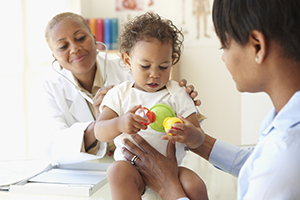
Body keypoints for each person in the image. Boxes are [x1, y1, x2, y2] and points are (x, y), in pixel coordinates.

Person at [122, 0, 300, 199]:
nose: (223, 58)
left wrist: (167, 186)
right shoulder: (282, 125)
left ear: (257, 46)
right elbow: (257, 163)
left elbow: (272, 171)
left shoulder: (287, 154)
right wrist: (195, 138)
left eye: (224, 46)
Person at [42, 12, 201, 164]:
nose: (74, 48)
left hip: (150, 161)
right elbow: (53, 146)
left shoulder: (132, 66)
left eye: (81, 38)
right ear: (54, 56)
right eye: (63, 46)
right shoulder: (50, 87)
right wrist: (107, 123)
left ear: (94, 38)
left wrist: (182, 98)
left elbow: (186, 128)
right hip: (88, 169)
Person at [94, 13, 208, 200]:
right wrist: (119, 124)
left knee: (195, 186)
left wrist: (189, 134)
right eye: (145, 66)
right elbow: (99, 131)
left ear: (173, 60)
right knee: (116, 172)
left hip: (171, 169)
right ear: (128, 60)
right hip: (132, 170)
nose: (154, 74)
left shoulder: (177, 93)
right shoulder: (119, 94)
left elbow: (198, 138)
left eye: (163, 67)